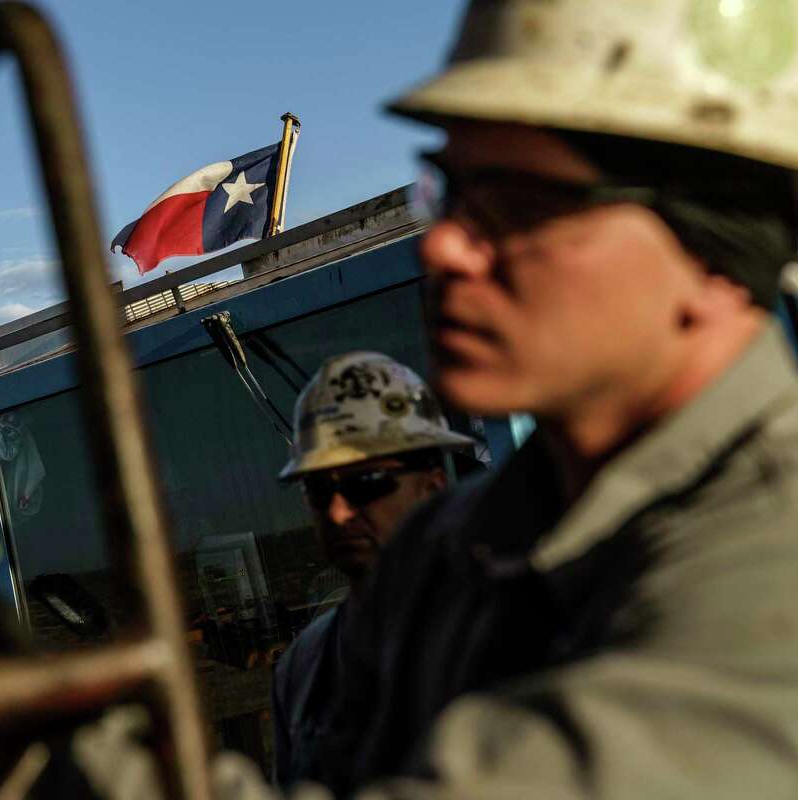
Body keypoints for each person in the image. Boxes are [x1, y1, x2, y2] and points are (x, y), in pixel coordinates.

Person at [306, 0, 798, 796]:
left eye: (523, 204)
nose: (442, 244)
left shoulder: (777, 557)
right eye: (453, 191)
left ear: (715, 250)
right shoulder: (442, 554)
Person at [270, 352, 470, 791]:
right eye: (319, 489)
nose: (339, 512)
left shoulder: (504, 626)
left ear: (432, 487)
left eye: (367, 482)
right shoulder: (303, 666)